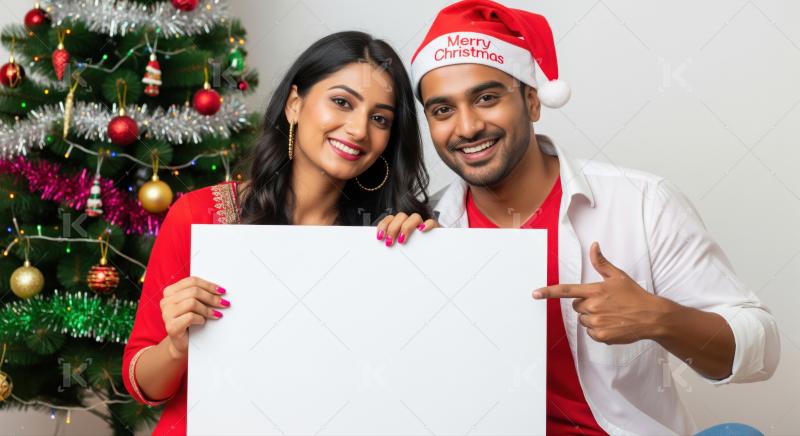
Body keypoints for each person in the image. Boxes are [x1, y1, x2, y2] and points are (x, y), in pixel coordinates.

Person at [410, 1, 780, 434]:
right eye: (442, 110)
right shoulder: (426, 230)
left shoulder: (642, 203)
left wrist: (659, 318)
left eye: (487, 98)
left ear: (532, 100)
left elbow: (763, 349)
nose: (467, 126)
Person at [122, 31, 436, 435]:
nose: (358, 129)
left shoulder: (395, 238)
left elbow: (420, 384)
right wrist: (177, 346)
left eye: (380, 119)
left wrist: (432, 259)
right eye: (341, 102)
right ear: (294, 104)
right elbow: (142, 384)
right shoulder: (200, 216)